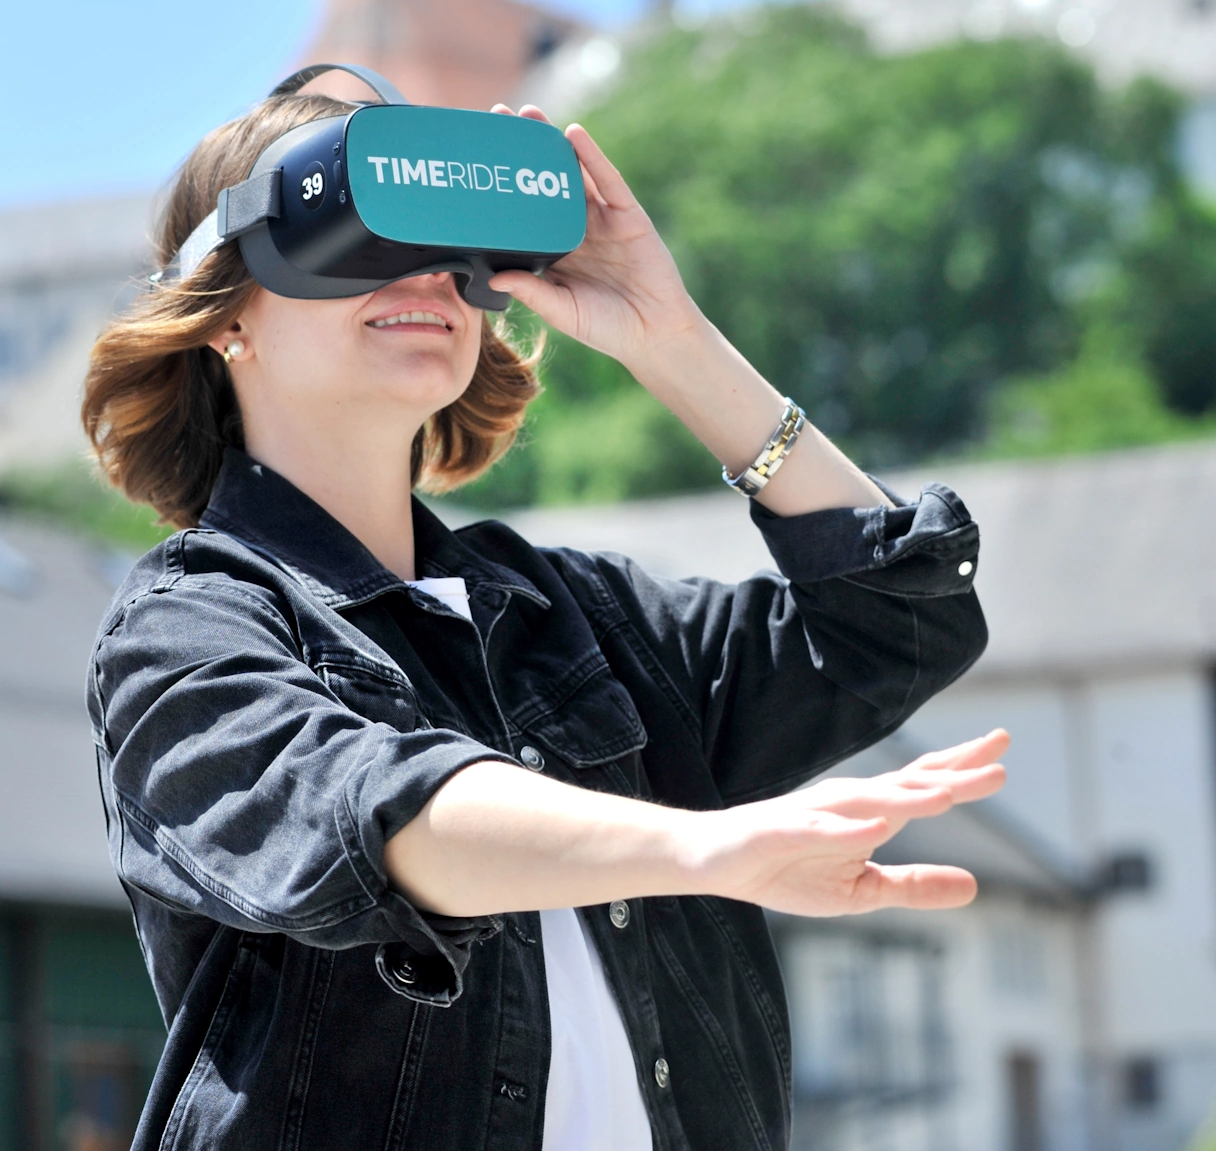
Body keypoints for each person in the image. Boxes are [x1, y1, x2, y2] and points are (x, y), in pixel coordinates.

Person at [82, 81, 1005, 1151]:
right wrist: (699, 849)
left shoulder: (585, 618)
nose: (424, 267)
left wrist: (670, 335)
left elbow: (895, 623)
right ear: (225, 306)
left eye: (451, 241)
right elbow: (378, 817)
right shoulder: (183, 630)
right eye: (357, 226)